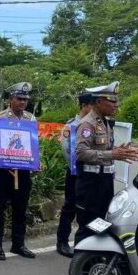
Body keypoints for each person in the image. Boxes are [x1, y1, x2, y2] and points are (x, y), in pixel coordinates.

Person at [73, 81, 138, 244]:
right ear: (99, 102)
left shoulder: (104, 122)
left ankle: (94, 257)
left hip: (104, 181)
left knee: (101, 222)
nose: (116, 105)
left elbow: (103, 149)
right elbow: (80, 152)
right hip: (91, 182)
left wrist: (121, 151)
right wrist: (112, 154)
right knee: (88, 224)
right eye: (112, 101)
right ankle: (81, 257)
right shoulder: (88, 123)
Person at [0, 82, 37, 260]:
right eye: (19, 99)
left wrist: (36, 161)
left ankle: (18, 244)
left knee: (20, 209)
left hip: (23, 171)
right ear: (11, 99)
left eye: (25, 99)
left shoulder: (30, 119)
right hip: (3, 171)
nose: (23, 102)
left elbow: (34, 145)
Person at [56, 92, 93, 257]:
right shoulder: (72, 126)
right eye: (92, 105)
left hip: (91, 174)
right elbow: (67, 151)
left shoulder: (95, 124)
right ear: (84, 106)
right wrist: (77, 167)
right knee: (70, 207)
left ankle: (84, 243)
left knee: (88, 208)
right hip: (75, 172)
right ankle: (62, 242)